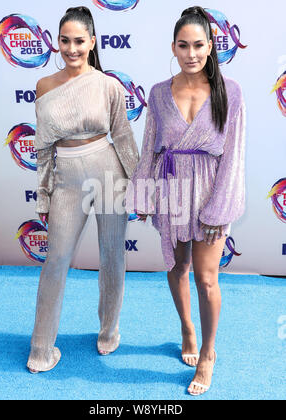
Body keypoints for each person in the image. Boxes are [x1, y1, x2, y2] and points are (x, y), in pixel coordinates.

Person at [126, 6, 245, 396]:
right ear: (173, 48)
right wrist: (143, 194)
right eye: (183, 45)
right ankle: (187, 328)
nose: (191, 53)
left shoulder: (231, 92)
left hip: (211, 189)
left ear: (211, 47)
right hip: (172, 188)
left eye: (198, 45)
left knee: (207, 278)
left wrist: (219, 208)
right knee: (178, 266)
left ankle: (208, 353)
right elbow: (149, 148)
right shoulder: (159, 93)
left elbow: (232, 156)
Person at [27, 6, 139, 373]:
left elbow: (122, 137)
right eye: (64, 40)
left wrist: (138, 184)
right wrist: (44, 193)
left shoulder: (108, 85)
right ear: (56, 42)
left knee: (113, 256)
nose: (71, 48)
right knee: (55, 261)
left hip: (110, 173)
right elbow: (43, 148)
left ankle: (109, 330)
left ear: (92, 42)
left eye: (79, 41)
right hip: (67, 179)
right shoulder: (44, 86)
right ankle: (41, 349)